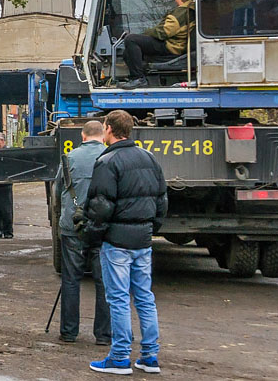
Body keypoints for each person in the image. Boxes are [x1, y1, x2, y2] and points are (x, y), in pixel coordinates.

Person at [82, 110, 167, 375]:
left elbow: (101, 206)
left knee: (118, 299)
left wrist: (91, 236)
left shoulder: (108, 161)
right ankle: (150, 356)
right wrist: (151, 228)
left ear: (108, 129)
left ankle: (120, 357)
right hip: (142, 241)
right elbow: (161, 199)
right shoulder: (149, 159)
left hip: (116, 242)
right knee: (144, 297)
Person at [54, 120, 111, 345]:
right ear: (103, 135)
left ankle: (69, 332)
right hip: (101, 228)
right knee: (103, 281)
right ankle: (104, 335)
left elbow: (59, 191)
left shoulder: (69, 158)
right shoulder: (110, 157)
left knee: (70, 280)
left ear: (83, 135)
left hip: (72, 227)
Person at [121, 0, 195, 89]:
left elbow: (163, 32)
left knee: (131, 39)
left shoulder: (182, 11)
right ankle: (139, 78)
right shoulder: (191, 10)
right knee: (129, 51)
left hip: (171, 46)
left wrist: (145, 34)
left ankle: (139, 79)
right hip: (177, 45)